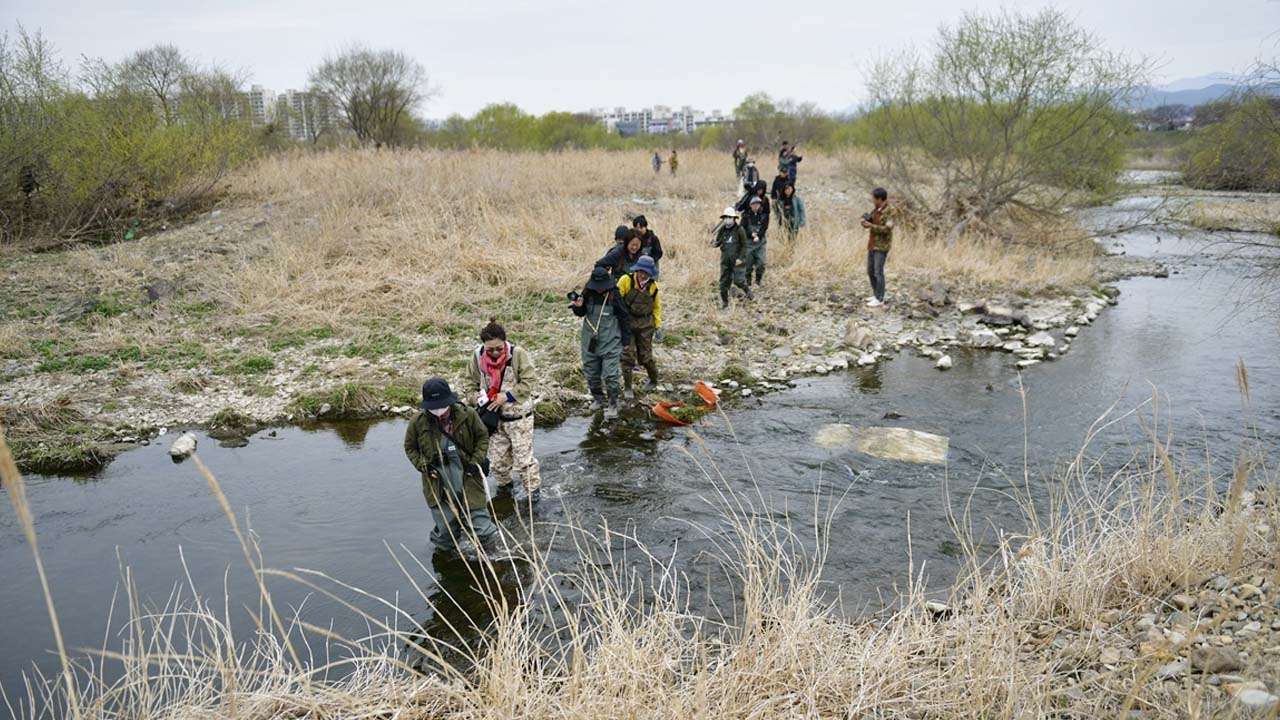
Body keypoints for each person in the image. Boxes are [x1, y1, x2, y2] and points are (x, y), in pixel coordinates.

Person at [404, 378, 500, 558]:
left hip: (468, 476)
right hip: (438, 481)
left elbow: (482, 438)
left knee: (481, 525)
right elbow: (410, 447)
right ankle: (447, 562)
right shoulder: (417, 422)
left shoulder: (469, 415)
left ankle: (493, 558)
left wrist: (476, 461)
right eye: (434, 408)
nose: (438, 412)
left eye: (441, 406)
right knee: (446, 530)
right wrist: (423, 465)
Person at [466, 319, 541, 504]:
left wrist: (506, 396)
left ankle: (534, 498)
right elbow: (470, 385)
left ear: (505, 342)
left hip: (519, 418)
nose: (494, 352)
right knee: (498, 465)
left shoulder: (517, 354)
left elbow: (529, 381)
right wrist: (476, 398)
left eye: (498, 348)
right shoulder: (477, 357)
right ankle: (505, 497)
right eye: (490, 349)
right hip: (494, 421)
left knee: (524, 463)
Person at [571, 266, 632, 419]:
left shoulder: (614, 295)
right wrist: (577, 307)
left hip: (611, 340)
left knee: (611, 374)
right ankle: (598, 399)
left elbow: (624, 317)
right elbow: (581, 313)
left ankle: (613, 402)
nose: (599, 290)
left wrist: (626, 340)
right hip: (590, 340)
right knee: (591, 371)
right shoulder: (587, 293)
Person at [617, 255, 662, 398]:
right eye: (641, 271)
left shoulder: (653, 287)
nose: (643, 275)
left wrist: (658, 326)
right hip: (627, 324)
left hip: (646, 325)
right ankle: (628, 388)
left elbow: (656, 307)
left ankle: (654, 380)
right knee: (627, 356)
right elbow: (616, 301)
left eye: (646, 272)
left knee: (646, 357)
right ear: (637, 269)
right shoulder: (626, 281)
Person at [861, 187, 897, 307]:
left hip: (882, 246)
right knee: (870, 271)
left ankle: (880, 298)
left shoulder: (890, 211)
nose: (872, 201)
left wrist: (871, 226)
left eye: (873, 198)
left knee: (878, 272)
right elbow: (873, 222)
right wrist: (867, 222)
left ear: (879, 199)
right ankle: (876, 294)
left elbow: (887, 229)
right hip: (872, 244)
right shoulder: (876, 209)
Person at [712, 206, 751, 309]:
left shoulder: (739, 230)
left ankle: (748, 291)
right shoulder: (722, 230)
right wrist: (714, 243)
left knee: (739, 280)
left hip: (737, 260)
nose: (728, 219)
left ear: (734, 218)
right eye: (726, 217)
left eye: (730, 217)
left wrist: (741, 258)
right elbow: (718, 242)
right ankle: (725, 303)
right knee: (723, 282)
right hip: (725, 260)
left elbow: (744, 245)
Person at [740, 194, 770, 288]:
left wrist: (759, 236)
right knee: (748, 262)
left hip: (760, 243)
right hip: (748, 243)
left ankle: (758, 280)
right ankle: (748, 281)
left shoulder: (764, 215)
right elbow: (742, 228)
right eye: (753, 204)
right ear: (750, 205)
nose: (755, 206)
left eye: (757, 204)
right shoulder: (745, 216)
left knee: (761, 262)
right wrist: (750, 234)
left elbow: (765, 228)